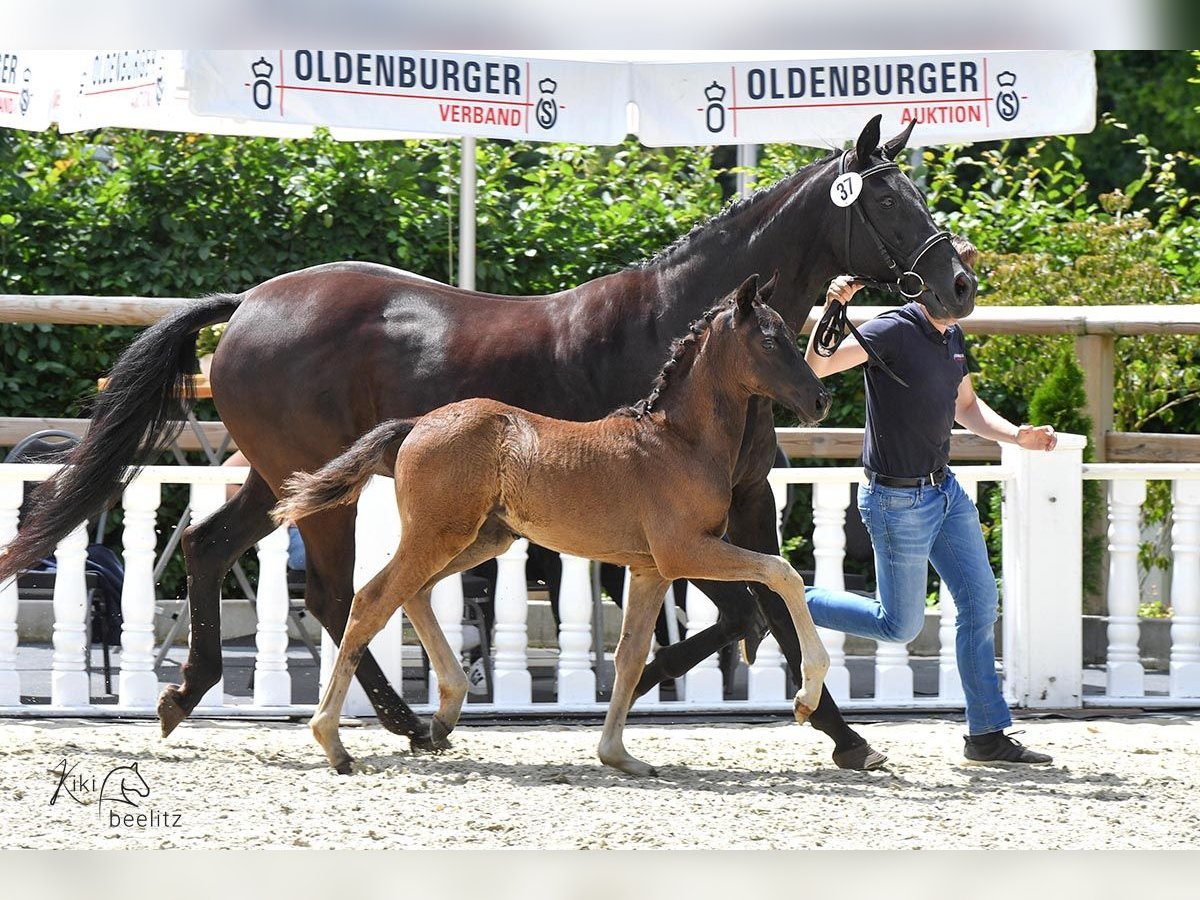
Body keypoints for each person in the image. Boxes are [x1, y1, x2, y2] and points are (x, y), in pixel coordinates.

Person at [803, 235, 1057, 766]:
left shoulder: (954, 335)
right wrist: (833, 307)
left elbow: (966, 405)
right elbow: (817, 367)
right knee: (900, 625)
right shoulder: (894, 328)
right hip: (895, 501)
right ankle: (786, 597)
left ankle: (986, 734)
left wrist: (1017, 436)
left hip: (945, 493)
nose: (962, 282)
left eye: (966, 274)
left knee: (980, 601)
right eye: (956, 273)